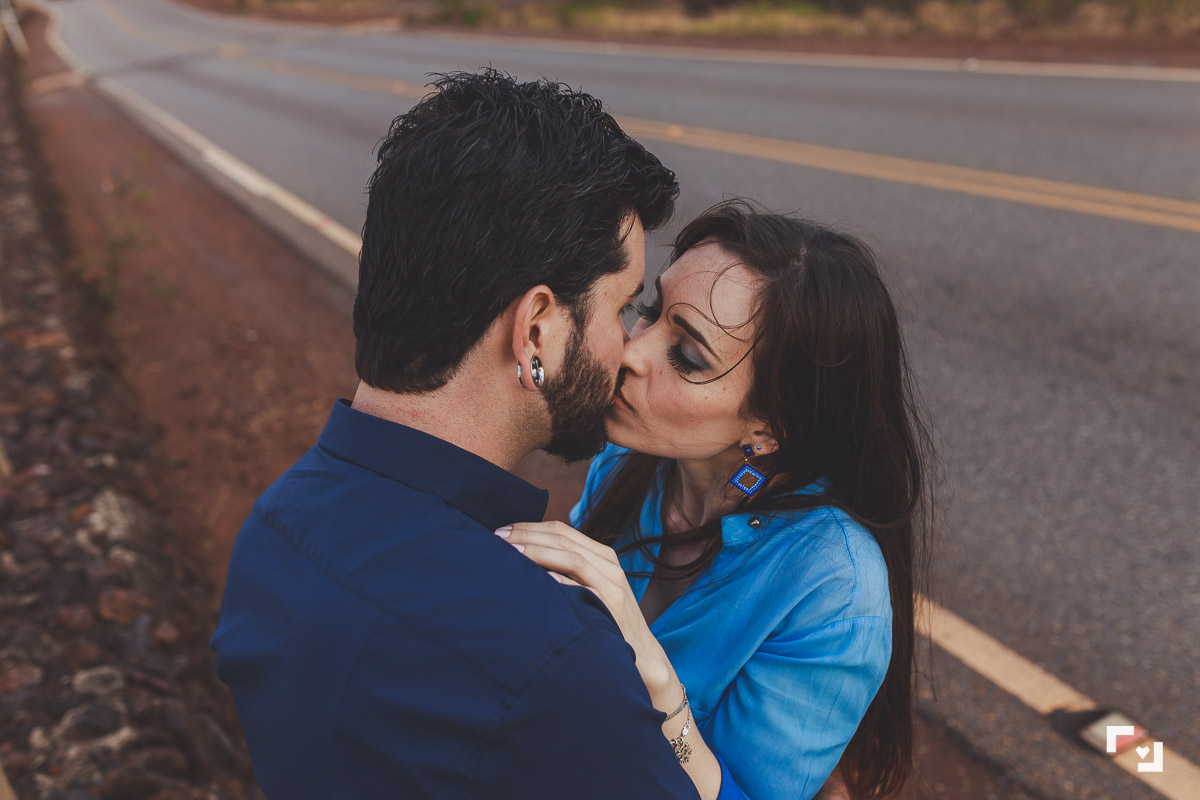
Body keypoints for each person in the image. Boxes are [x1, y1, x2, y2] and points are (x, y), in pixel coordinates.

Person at [210, 69, 720, 798]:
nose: (631, 348)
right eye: (623, 309)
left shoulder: (274, 530)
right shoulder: (559, 664)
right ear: (536, 330)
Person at [498, 200, 935, 800]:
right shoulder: (629, 462)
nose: (632, 351)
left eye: (688, 356)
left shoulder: (833, 590)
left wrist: (649, 669)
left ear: (770, 426)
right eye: (649, 311)